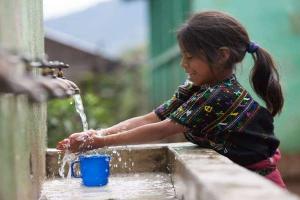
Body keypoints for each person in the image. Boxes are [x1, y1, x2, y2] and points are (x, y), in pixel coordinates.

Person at [57, 11, 286, 188]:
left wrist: (98, 143)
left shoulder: (220, 95)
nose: (183, 64)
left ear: (222, 55)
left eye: (190, 57)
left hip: (259, 182)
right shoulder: (196, 88)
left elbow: (162, 129)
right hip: (239, 176)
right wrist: (98, 133)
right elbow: (150, 119)